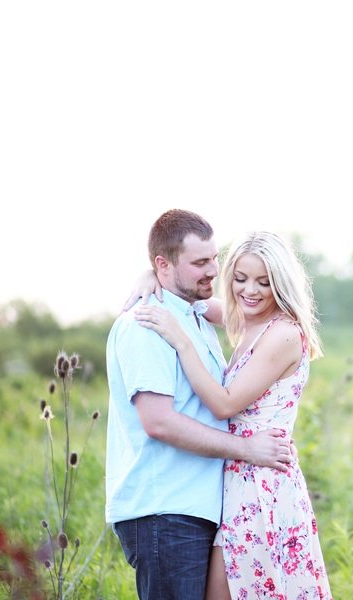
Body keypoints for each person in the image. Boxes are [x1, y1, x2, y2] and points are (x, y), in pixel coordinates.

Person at [105, 210, 295, 600]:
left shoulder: (193, 315)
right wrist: (245, 448)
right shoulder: (147, 323)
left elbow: (263, 312)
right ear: (164, 264)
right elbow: (158, 422)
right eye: (199, 263)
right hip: (165, 511)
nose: (213, 271)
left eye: (213, 259)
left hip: (198, 507)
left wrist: (155, 278)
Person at [133, 230, 332, 600]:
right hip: (239, 477)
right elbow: (189, 301)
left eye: (263, 281)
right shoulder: (249, 320)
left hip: (263, 484)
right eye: (240, 279)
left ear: (281, 283)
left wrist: (181, 341)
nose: (250, 291)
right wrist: (151, 276)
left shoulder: (283, 333)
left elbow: (225, 404)